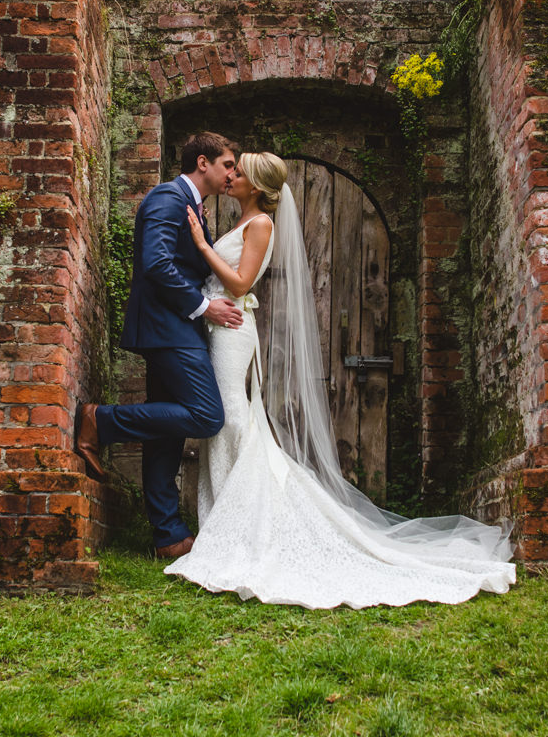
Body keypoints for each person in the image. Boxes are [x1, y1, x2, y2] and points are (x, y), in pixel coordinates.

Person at [165, 152, 517, 608]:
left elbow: (239, 284)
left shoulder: (262, 226)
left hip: (231, 329)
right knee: (229, 417)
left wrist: (200, 244)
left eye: (240, 172)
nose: (230, 176)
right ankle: (223, 520)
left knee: (232, 415)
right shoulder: (241, 221)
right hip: (217, 327)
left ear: (257, 184)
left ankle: (241, 519)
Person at [77, 133, 244, 559]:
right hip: (169, 328)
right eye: (228, 165)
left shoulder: (191, 206)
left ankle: (168, 534)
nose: (232, 174)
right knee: (207, 416)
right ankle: (102, 422)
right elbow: (156, 264)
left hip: (176, 328)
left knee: (166, 435)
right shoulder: (167, 198)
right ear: (202, 163)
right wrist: (205, 307)